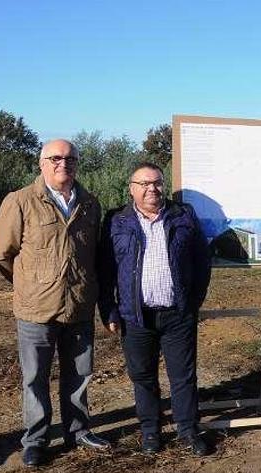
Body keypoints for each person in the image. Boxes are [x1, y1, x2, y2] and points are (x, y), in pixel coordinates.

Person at [0, 139, 110, 467]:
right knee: (35, 377)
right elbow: (3, 253)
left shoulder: (90, 203)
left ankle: (78, 429)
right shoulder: (19, 201)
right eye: (55, 158)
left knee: (80, 372)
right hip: (35, 309)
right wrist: (29, 284)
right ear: (41, 163)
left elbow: (92, 255)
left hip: (79, 303)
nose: (63, 163)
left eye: (70, 158)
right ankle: (36, 439)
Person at [98, 163, 212, 455]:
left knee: (184, 376)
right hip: (135, 316)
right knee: (142, 376)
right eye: (145, 183)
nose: (153, 189)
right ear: (131, 188)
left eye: (158, 182)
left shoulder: (183, 215)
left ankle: (188, 429)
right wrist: (109, 310)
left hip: (177, 313)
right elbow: (105, 270)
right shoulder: (116, 220)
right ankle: (150, 431)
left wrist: (193, 301)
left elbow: (202, 261)